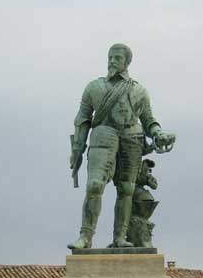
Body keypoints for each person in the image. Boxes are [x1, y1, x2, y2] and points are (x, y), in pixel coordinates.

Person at [68, 43, 175, 249]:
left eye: (117, 58)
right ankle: (85, 237)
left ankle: (120, 237)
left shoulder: (139, 90)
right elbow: (82, 118)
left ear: (127, 62)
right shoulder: (94, 87)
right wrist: (77, 148)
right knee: (95, 185)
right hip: (103, 133)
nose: (112, 61)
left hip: (132, 136)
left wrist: (158, 134)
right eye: (110, 57)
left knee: (126, 189)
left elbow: (149, 119)